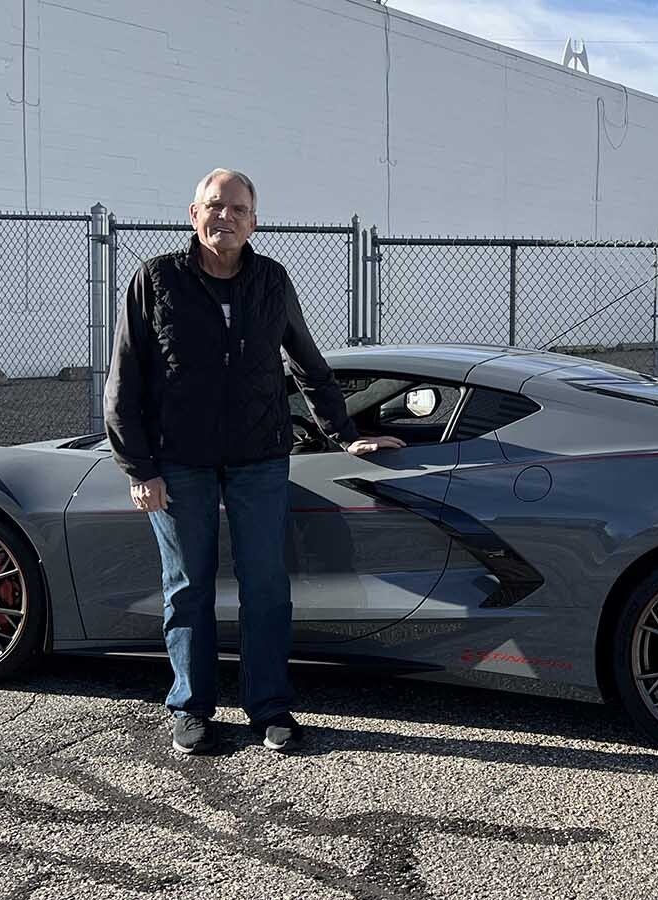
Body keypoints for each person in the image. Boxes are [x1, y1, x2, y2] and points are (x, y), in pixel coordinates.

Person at [103, 168, 403, 755]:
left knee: (265, 584)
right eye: (215, 206)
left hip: (258, 459)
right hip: (177, 461)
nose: (226, 217)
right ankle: (190, 706)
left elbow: (308, 363)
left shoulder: (271, 281)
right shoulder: (155, 280)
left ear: (254, 221)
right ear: (194, 215)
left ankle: (269, 706)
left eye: (238, 209)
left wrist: (345, 435)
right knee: (187, 586)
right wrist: (138, 468)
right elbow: (124, 379)